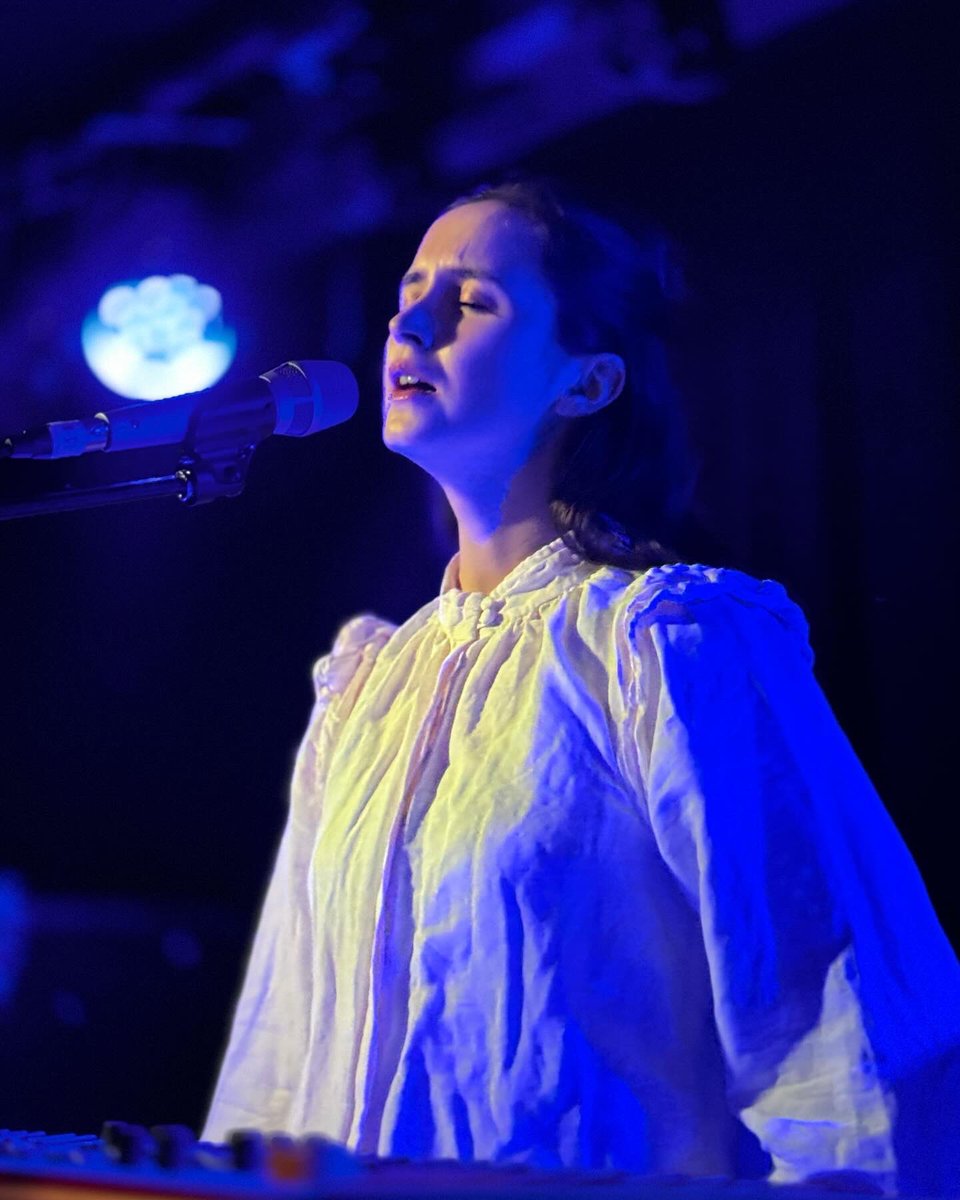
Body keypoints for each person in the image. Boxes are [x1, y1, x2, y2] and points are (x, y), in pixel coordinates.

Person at [202, 179, 960, 1191]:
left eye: (470, 302)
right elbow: (280, 1050)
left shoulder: (671, 644)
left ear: (588, 382)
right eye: (409, 290)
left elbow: (840, 1023)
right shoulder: (365, 688)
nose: (409, 325)